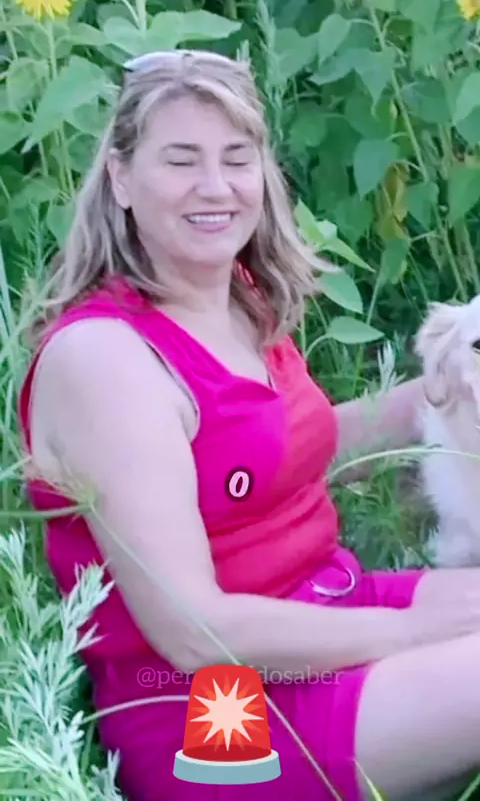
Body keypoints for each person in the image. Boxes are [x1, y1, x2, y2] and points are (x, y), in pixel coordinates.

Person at [16, 49, 480, 801]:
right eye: (181, 160)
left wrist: (444, 380)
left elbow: (282, 459)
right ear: (121, 178)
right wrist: (419, 633)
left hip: (328, 611)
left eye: (237, 158)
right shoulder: (104, 360)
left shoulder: (237, 299)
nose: (215, 186)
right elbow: (194, 631)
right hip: (213, 714)